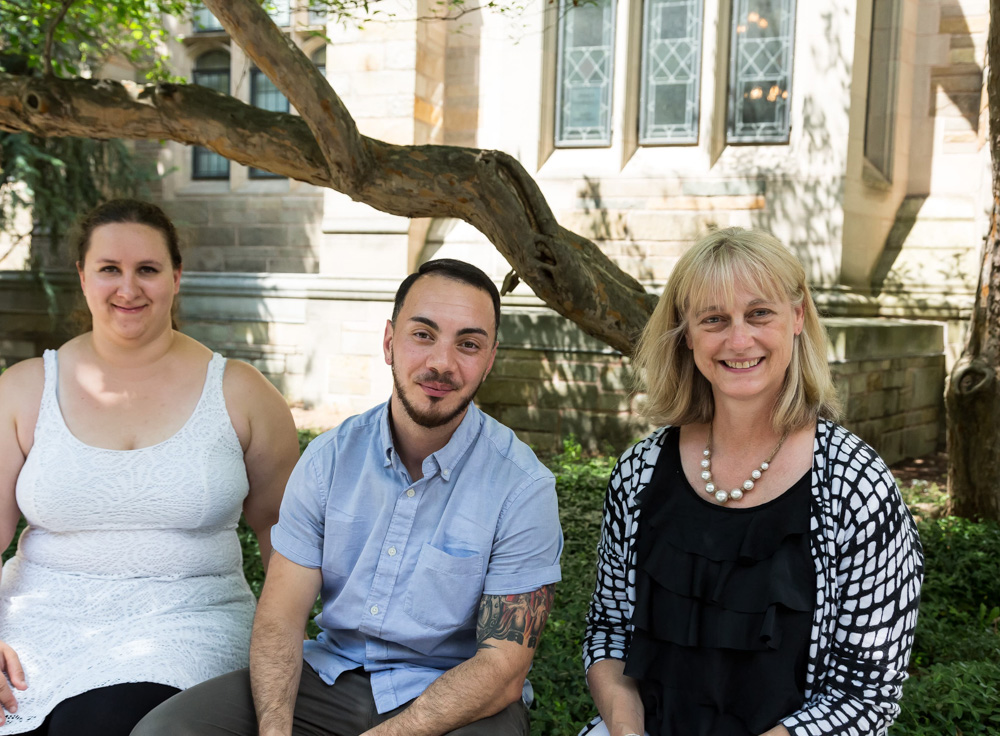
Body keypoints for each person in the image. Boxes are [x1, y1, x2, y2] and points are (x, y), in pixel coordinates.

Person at [0, 199, 300, 736]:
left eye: (147, 269)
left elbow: (286, 532)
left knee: (99, 727)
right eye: (109, 269)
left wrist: (285, 643)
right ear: (82, 275)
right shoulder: (26, 389)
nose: (128, 288)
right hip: (36, 620)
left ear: (177, 276)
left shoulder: (241, 392)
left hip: (186, 621)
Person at [132, 258, 564, 736]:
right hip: (331, 679)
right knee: (165, 731)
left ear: (490, 359)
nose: (442, 363)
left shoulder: (522, 487)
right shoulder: (328, 460)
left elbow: (502, 669)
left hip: (454, 698)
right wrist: (275, 730)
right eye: (423, 334)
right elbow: (281, 617)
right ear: (388, 342)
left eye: (468, 344)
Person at [581, 228, 924, 736]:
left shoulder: (857, 486)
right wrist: (627, 728)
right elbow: (609, 633)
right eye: (714, 319)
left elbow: (865, 698)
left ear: (798, 318)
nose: (738, 340)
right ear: (687, 334)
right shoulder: (639, 471)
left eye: (759, 313)